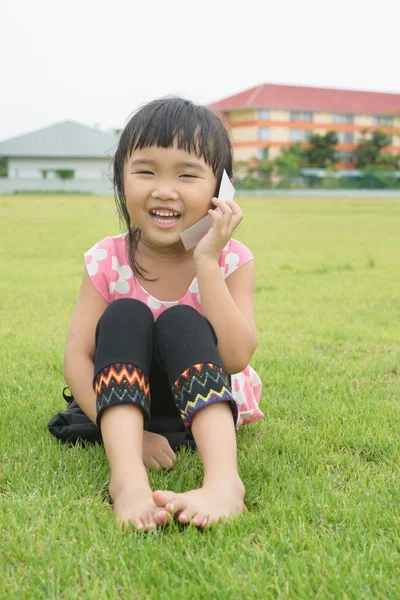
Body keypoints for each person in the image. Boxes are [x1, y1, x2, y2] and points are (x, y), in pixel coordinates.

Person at [63, 97, 263, 531]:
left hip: (207, 399)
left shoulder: (232, 259)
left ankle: (225, 482)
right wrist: (137, 442)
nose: (164, 189)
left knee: (182, 321)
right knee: (124, 315)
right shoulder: (106, 258)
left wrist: (206, 262)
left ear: (219, 191)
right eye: (146, 170)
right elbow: (79, 357)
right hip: (129, 402)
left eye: (187, 174)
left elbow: (235, 358)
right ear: (120, 179)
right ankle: (128, 481)